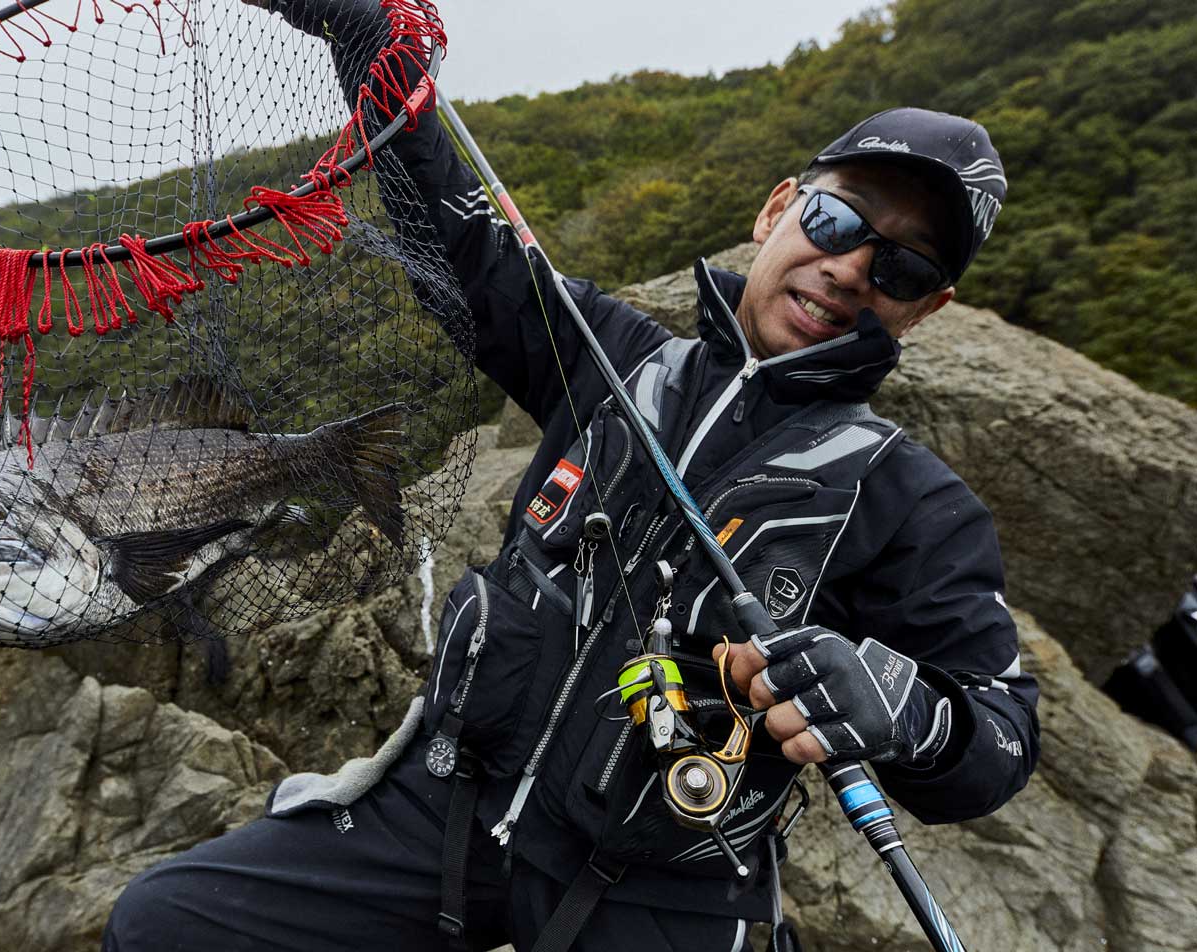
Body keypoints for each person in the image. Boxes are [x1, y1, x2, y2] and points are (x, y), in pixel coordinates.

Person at [102, 2, 1039, 949]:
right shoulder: (605, 352)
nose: (849, 269)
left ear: (929, 309)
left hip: (660, 888)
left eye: (904, 269)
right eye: (837, 219)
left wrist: (910, 712)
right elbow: (460, 244)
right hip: (446, 811)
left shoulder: (915, 502)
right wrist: (365, 43)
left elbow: (1000, 739)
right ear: (776, 209)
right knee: (163, 924)